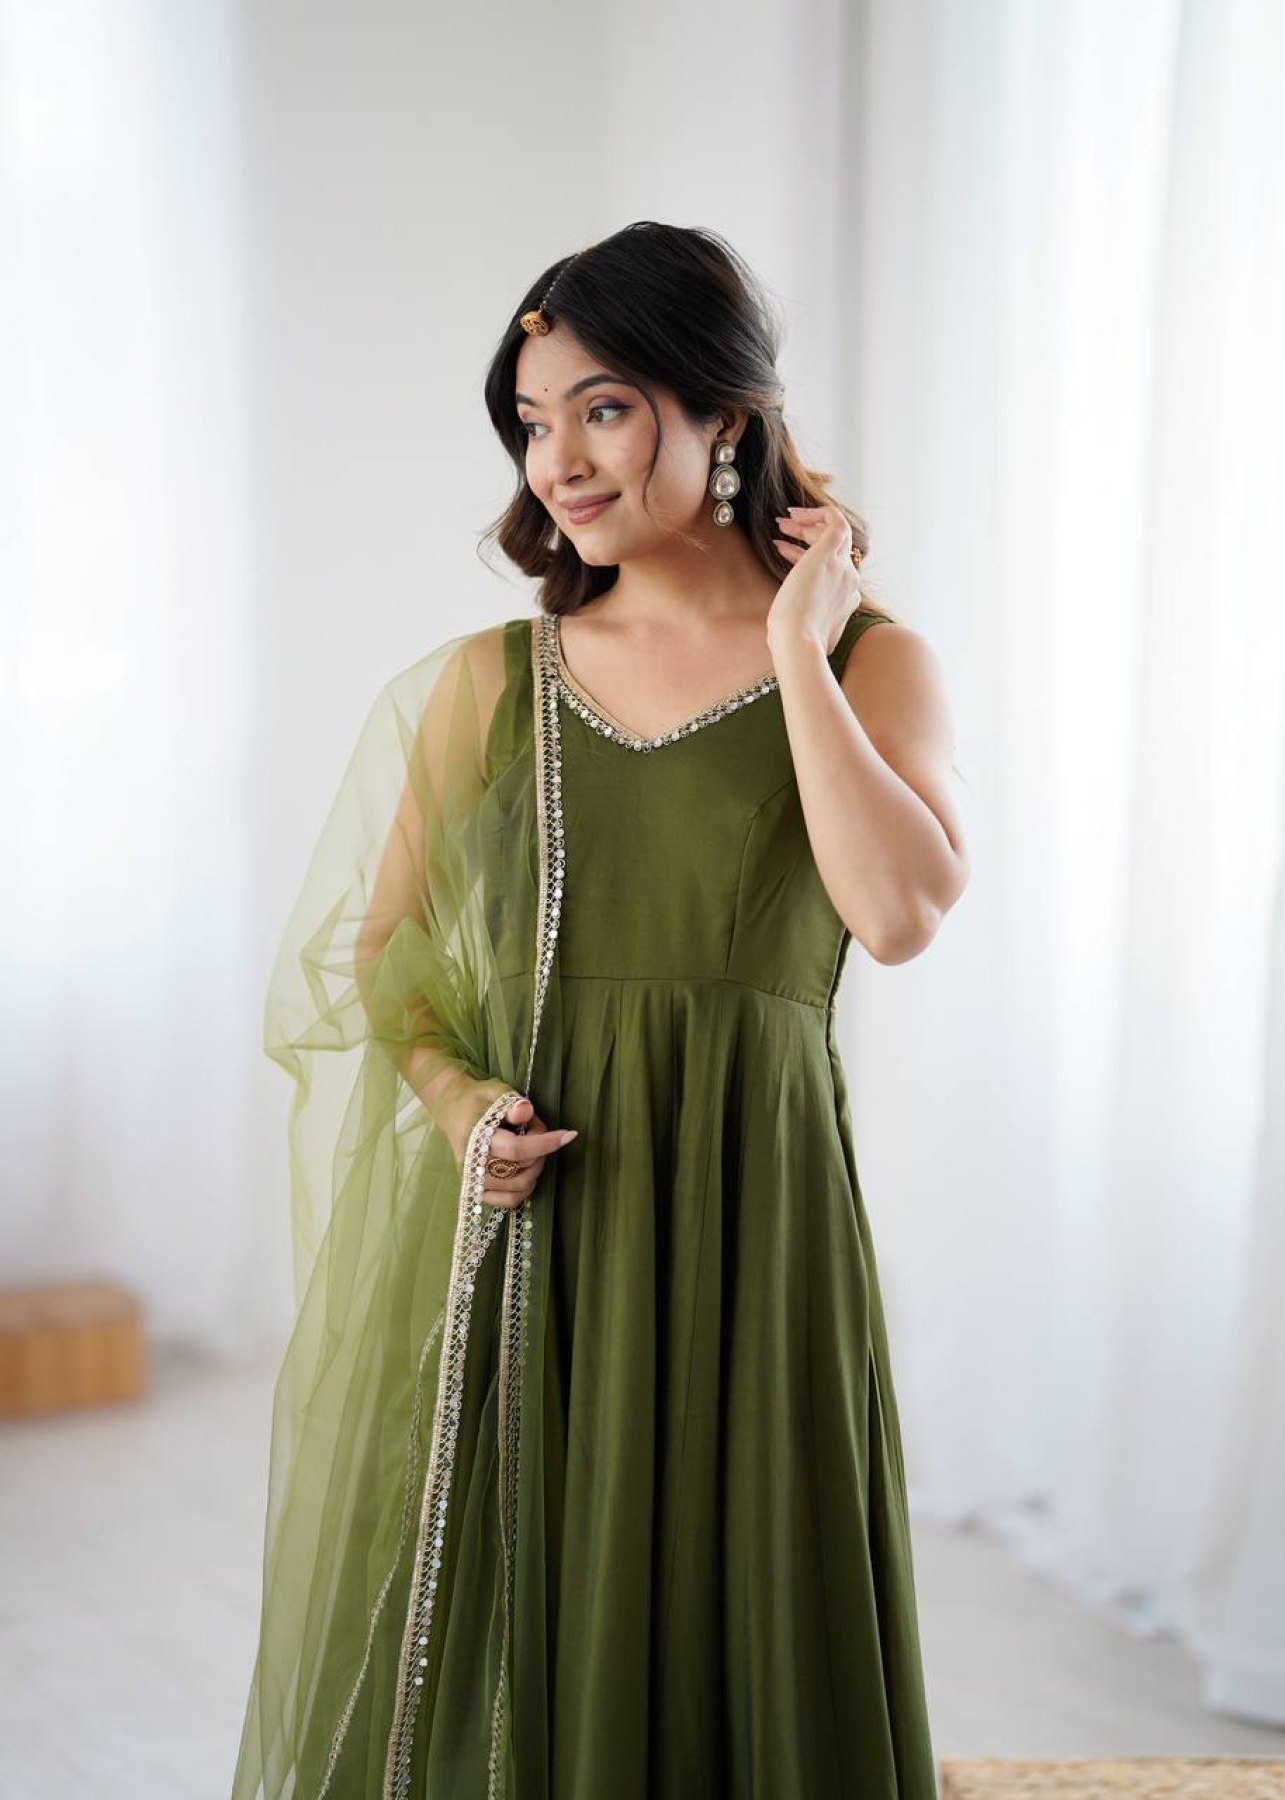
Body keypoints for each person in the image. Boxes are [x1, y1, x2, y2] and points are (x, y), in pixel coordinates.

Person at [233, 220, 969, 1800]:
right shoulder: (491, 682)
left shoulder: (868, 660)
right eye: (530, 420)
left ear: (724, 413)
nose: (556, 460)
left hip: (754, 1221)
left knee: (745, 1600)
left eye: (604, 407)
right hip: (543, 1224)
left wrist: (795, 647)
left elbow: (897, 915)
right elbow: (384, 959)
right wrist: (461, 1114)